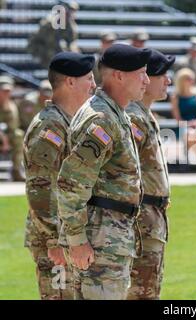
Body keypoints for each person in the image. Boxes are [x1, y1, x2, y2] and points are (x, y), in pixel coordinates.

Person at [57, 44, 151, 300]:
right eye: (140, 73)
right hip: (101, 241)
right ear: (118, 75)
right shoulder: (102, 119)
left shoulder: (113, 113)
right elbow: (71, 183)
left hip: (109, 237)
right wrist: (77, 240)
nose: (146, 80)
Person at [23, 52, 96, 300]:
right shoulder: (50, 127)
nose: (94, 85)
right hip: (54, 241)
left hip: (65, 238)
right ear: (70, 82)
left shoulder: (67, 121)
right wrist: (54, 240)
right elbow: (39, 189)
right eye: (89, 78)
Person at [126, 49, 174, 300]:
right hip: (141, 219)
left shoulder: (143, 114)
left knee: (149, 289)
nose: (169, 80)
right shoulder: (134, 117)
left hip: (151, 218)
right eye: (163, 75)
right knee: (140, 292)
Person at [170, 68, 196, 168]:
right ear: (181, 80)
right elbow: (177, 117)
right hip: (183, 125)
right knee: (189, 134)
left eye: (192, 78)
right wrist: (187, 124)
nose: (192, 80)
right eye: (188, 78)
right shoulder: (175, 97)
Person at [27, 0, 79, 68]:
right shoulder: (48, 23)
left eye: (72, 11)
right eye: (68, 10)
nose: (70, 13)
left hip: (60, 57)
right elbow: (35, 41)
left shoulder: (71, 26)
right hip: (46, 55)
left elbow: (72, 44)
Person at [0, 75, 24, 181]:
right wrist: (3, 140)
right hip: (2, 137)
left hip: (6, 136)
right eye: (3, 90)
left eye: (8, 91)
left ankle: (16, 171)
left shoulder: (11, 106)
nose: (6, 93)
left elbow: (13, 127)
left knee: (18, 135)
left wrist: (6, 140)